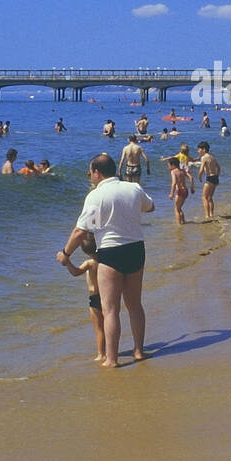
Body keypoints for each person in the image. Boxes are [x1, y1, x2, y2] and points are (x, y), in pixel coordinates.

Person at [60, 154, 155, 368]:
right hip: (136, 249)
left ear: (97, 172)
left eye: (90, 173)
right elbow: (150, 207)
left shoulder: (96, 195)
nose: (90, 177)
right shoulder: (133, 188)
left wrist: (65, 254)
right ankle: (139, 351)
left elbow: (82, 230)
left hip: (110, 252)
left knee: (110, 309)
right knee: (135, 305)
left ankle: (111, 359)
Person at [55, 233, 106, 362]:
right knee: (108, 323)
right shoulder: (104, 260)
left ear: (84, 250)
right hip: (106, 295)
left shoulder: (89, 263)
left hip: (94, 298)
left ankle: (101, 354)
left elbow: (76, 272)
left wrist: (67, 263)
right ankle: (110, 349)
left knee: (99, 328)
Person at [167, 158, 191, 224]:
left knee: (177, 209)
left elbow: (174, 183)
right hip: (186, 190)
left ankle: (179, 224)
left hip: (180, 191)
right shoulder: (182, 171)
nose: (168, 167)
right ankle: (183, 221)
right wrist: (192, 187)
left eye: (169, 165)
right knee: (179, 208)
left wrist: (171, 193)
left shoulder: (173, 171)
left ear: (173, 165)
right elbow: (191, 177)